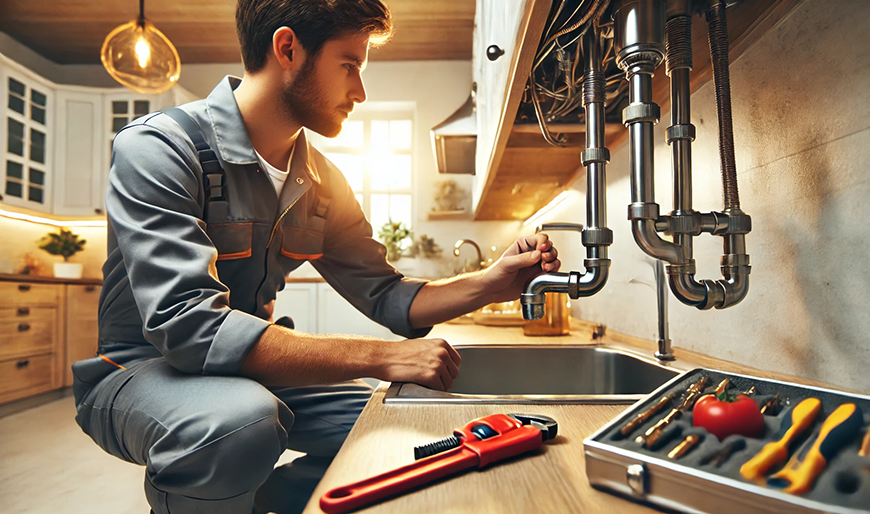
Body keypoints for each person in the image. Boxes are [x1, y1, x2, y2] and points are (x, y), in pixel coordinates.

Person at [71, 0, 561, 512]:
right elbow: (191, 330)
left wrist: (493, 282)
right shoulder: (161, 147)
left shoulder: (322, 181)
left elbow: (389, 297)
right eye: (349, 64)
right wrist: (384, 357)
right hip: (139, 371)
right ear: (288, 48)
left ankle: (263, 503)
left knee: (424, 432)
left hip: (245, 375)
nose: (360, 92)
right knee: (243, 421)